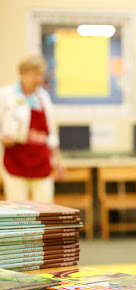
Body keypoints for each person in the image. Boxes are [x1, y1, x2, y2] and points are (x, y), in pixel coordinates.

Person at [0, 53, 65, 203]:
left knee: (45, 210)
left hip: (41, 162)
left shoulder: (43, 97)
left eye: (41, 75)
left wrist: (58, 160)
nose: (38, 80)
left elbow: (51, 133)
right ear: (22, 74)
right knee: (17, 211)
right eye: (34, 75)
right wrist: (2, 136)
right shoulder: (6, 95)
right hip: (16, 161)